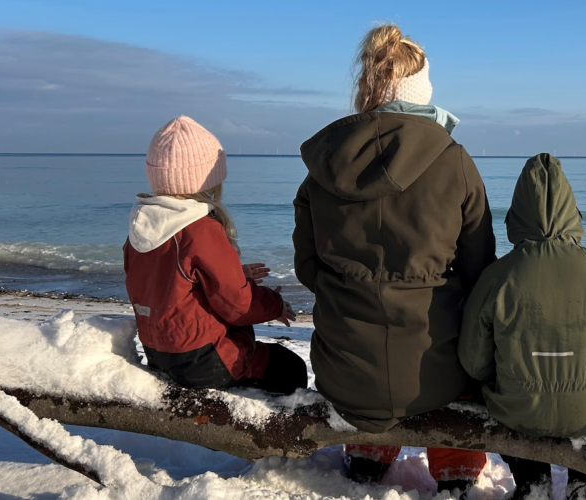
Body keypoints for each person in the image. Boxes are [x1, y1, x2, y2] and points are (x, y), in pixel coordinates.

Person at [295, 23, 493, 495]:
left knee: (377, 361)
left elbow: (307, 268)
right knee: (462, 361)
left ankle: (366, 457)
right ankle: (457, 473)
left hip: (343, 370)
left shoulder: (324, 165)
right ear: (423, 92)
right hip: (434, 374)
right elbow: (480, 271)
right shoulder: (455, 160)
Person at [460, 154, 586, 500]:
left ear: (515, 216)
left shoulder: (498, 276)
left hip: (519, 410)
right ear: (571, 212)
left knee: (502, 400)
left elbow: (473, 361)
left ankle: (533, 482)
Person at [124, 116, 307, 395]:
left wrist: (233, 272)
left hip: (159, 352)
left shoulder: (141, 227)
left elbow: (167, 283)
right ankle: (273, 435)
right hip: (205, 360)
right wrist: (275, 305)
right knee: (290, 367)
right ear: (209, 180)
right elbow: (236, 305)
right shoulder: (201, 229)